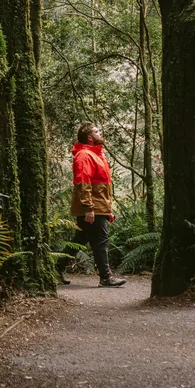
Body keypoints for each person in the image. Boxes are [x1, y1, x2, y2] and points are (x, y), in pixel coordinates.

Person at [60, 122, 127, 287]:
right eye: (97, 131)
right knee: (100, 240)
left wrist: (107, 209)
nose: (100, 132)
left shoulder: (98, 155)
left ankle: (56, 266)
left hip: (98, 206)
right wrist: (88, 208)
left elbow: (103, 186)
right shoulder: (84, 155)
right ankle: (106, 277)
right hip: (92, 207)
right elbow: (83, 183)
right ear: (90, 138)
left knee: (81, 239)